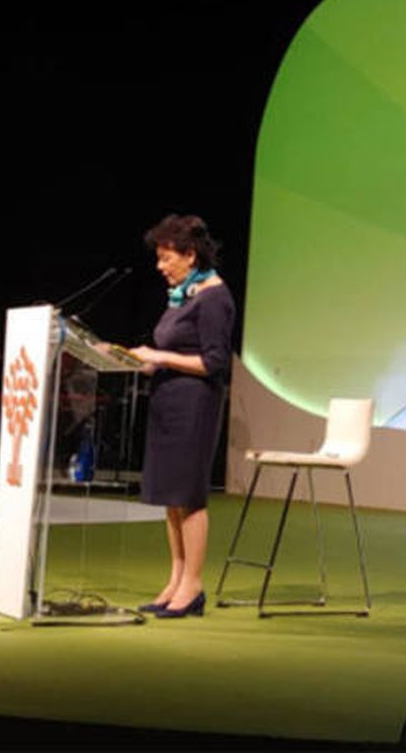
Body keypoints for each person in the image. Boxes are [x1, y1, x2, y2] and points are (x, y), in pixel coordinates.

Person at [128, 214, 235, 619]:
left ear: (190, 255)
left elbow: (213, 362)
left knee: (188, 496)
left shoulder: (214, 297)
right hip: (168, 400)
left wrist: (159, 356)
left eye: (166, 257)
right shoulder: (183, 296)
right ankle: (175, 578)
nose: (160, 266)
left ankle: (193, 585)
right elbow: (172, 351)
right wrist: (142, 361)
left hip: (195, 404)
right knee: (170, 497)